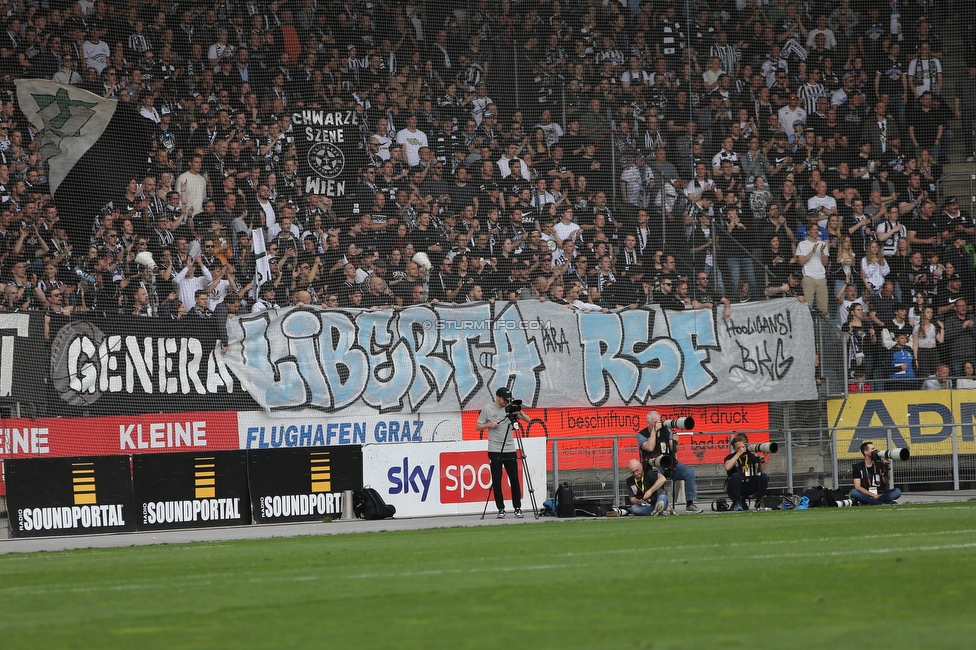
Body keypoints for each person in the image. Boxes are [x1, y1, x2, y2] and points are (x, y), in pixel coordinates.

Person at [475, 387, 530, 519]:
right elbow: (478, 426)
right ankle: (501, 508)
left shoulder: (510, 408)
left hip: (510, 448)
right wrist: (489, 425)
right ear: (498, 397)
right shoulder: (487, 409)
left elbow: (528, 420)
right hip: (495, 449)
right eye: (504, 399)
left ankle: (517, 507)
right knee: (497, 479)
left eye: (508, 400)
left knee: (514, 480)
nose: (506, 402)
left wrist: (520, 412)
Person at [636, 411, 704, 513]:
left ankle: (690, 503)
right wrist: (654, 431)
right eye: (655, 422)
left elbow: (674, 449)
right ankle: (663, 503)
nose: (658, 424)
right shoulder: (641, 435)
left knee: (689, 472)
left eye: (659, 421)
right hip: (654, 466)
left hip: (670, 463)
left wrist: (675, 441)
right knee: (657, 477)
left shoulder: (665, 431)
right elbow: (650, 448)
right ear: (648, 423)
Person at [723, 433, 769, 511]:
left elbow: (761, 470)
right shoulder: (731, 457)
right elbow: (727, 467)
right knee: (736, 476)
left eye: (743, 446)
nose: (742, 449)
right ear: (734, 449)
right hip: (736, 486)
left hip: (749, 483)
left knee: (763, 476)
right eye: (739, 448)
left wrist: (762, 460)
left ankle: (760, 502)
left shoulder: (750, 456)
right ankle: (737, 502)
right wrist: (738, 454)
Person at [849, 441, 901, 505]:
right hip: (866, 494)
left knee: (897, 491)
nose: (875, 450)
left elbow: (886, 481)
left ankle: (869, 502)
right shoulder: (858, 467)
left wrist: (887, 467)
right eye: (872, 449)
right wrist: (873, 495)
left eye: (875, 448)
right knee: (854, 492)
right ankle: (879, 503)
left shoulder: (880, 464)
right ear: (866, 452)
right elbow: (857, 486)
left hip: (880, 494)